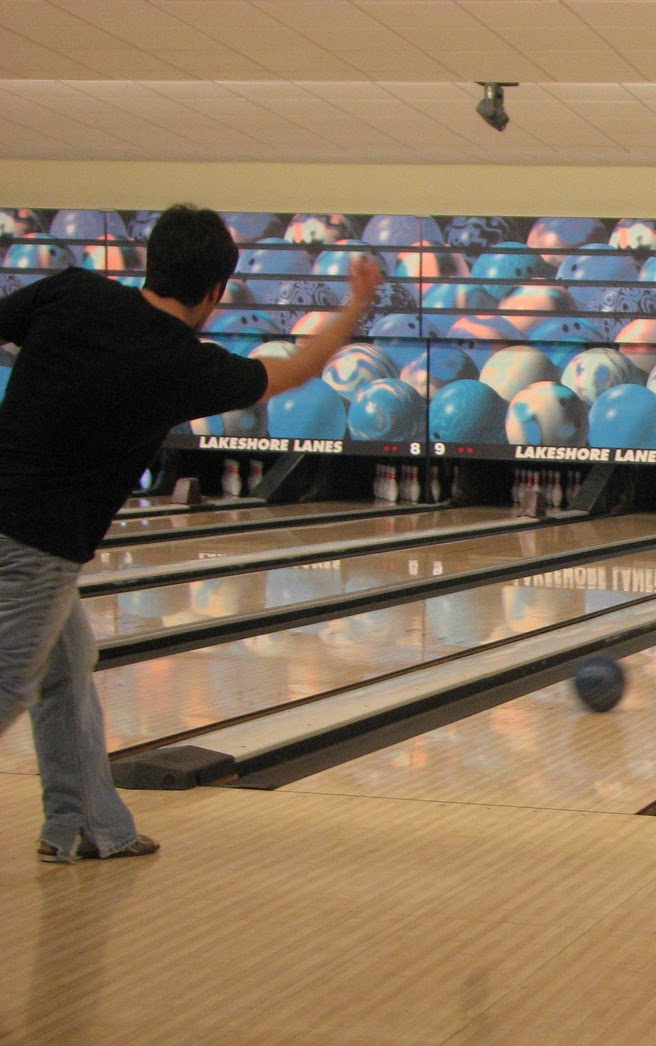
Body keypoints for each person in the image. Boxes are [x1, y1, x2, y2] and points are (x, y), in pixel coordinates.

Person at [0, 203, 381, 863]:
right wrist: (356, 304)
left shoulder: (72, 290)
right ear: (214, 291)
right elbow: (292, 371)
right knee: (6, 685)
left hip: (26, 530)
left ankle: (92, 825)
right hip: (37, 544)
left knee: (66, 669)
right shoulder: (181, 363)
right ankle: (90, 823)